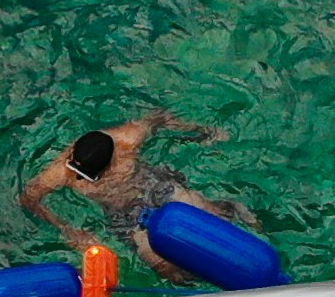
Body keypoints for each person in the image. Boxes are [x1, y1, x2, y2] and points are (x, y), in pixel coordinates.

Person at [17, 114, 243, 287]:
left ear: (110, 162)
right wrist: (68, 229)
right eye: (75, 170)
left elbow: (160, 117)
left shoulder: (127, 139)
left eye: (88, 176)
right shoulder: (60, 171)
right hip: (125, 215)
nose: (77, 178)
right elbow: (28, 198)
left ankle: (237, 212)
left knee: (216, 218)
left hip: (155, 186)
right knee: (169, 270)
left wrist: (204, 132)